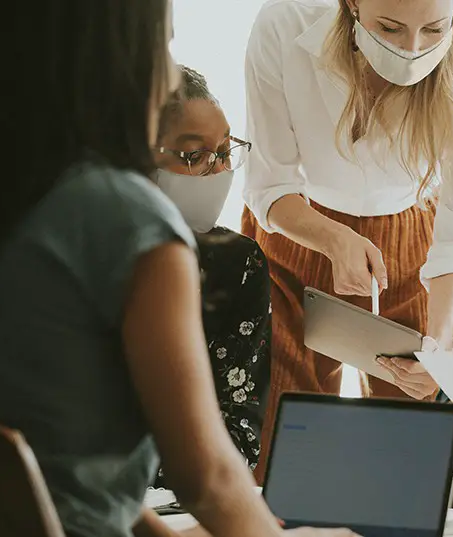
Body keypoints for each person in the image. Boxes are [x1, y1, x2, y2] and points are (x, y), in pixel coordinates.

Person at [0, 2, 354, 537]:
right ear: (114, 58)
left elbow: (76, 480)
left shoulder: (6, 198)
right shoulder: (129, 220)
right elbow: (211, 483)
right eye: (164, 45)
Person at [241, 0, 453, 481]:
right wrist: (332, 239)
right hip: (295, 233)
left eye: (434, 30)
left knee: (407, 460)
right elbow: (269, 186)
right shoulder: (285, 23)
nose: (412, 49)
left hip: (412, 252)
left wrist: (440, 348)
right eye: (391, 27)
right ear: (353, 4)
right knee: (281, 451)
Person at [153, 65, 270, 477]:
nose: (219, 172)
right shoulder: (73, 256)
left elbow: (241, 436)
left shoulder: (238, 264)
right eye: (195, 156)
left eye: (224, 152)